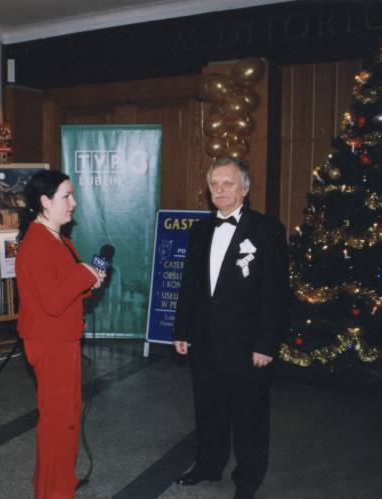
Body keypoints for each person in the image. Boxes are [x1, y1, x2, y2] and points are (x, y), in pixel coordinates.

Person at [172, 157, 288, 499]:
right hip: (205, 340)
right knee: (208, 409)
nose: (219, 190)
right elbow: (190, 285)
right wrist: (180, 330)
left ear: (245, 189)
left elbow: (276, 294)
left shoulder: (267, 230)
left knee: (249, 415)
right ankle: (208, 465)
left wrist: (266, 344)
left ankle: (248, 479)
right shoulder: (199, 230)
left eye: (228, 183)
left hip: (248, 344)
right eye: (214, 184)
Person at [15, 170, 105, 499]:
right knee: (58, 422)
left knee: (66, 419)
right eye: (66, 196)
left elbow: (63, 289)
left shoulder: (59, 239)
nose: (74, 202)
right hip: (50, 343)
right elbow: (53, 302)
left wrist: (88, 281)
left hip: (63, 339)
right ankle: (53, 492)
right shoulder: (36, 244)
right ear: (45, 201)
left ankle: (57, 483)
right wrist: (83, 274)